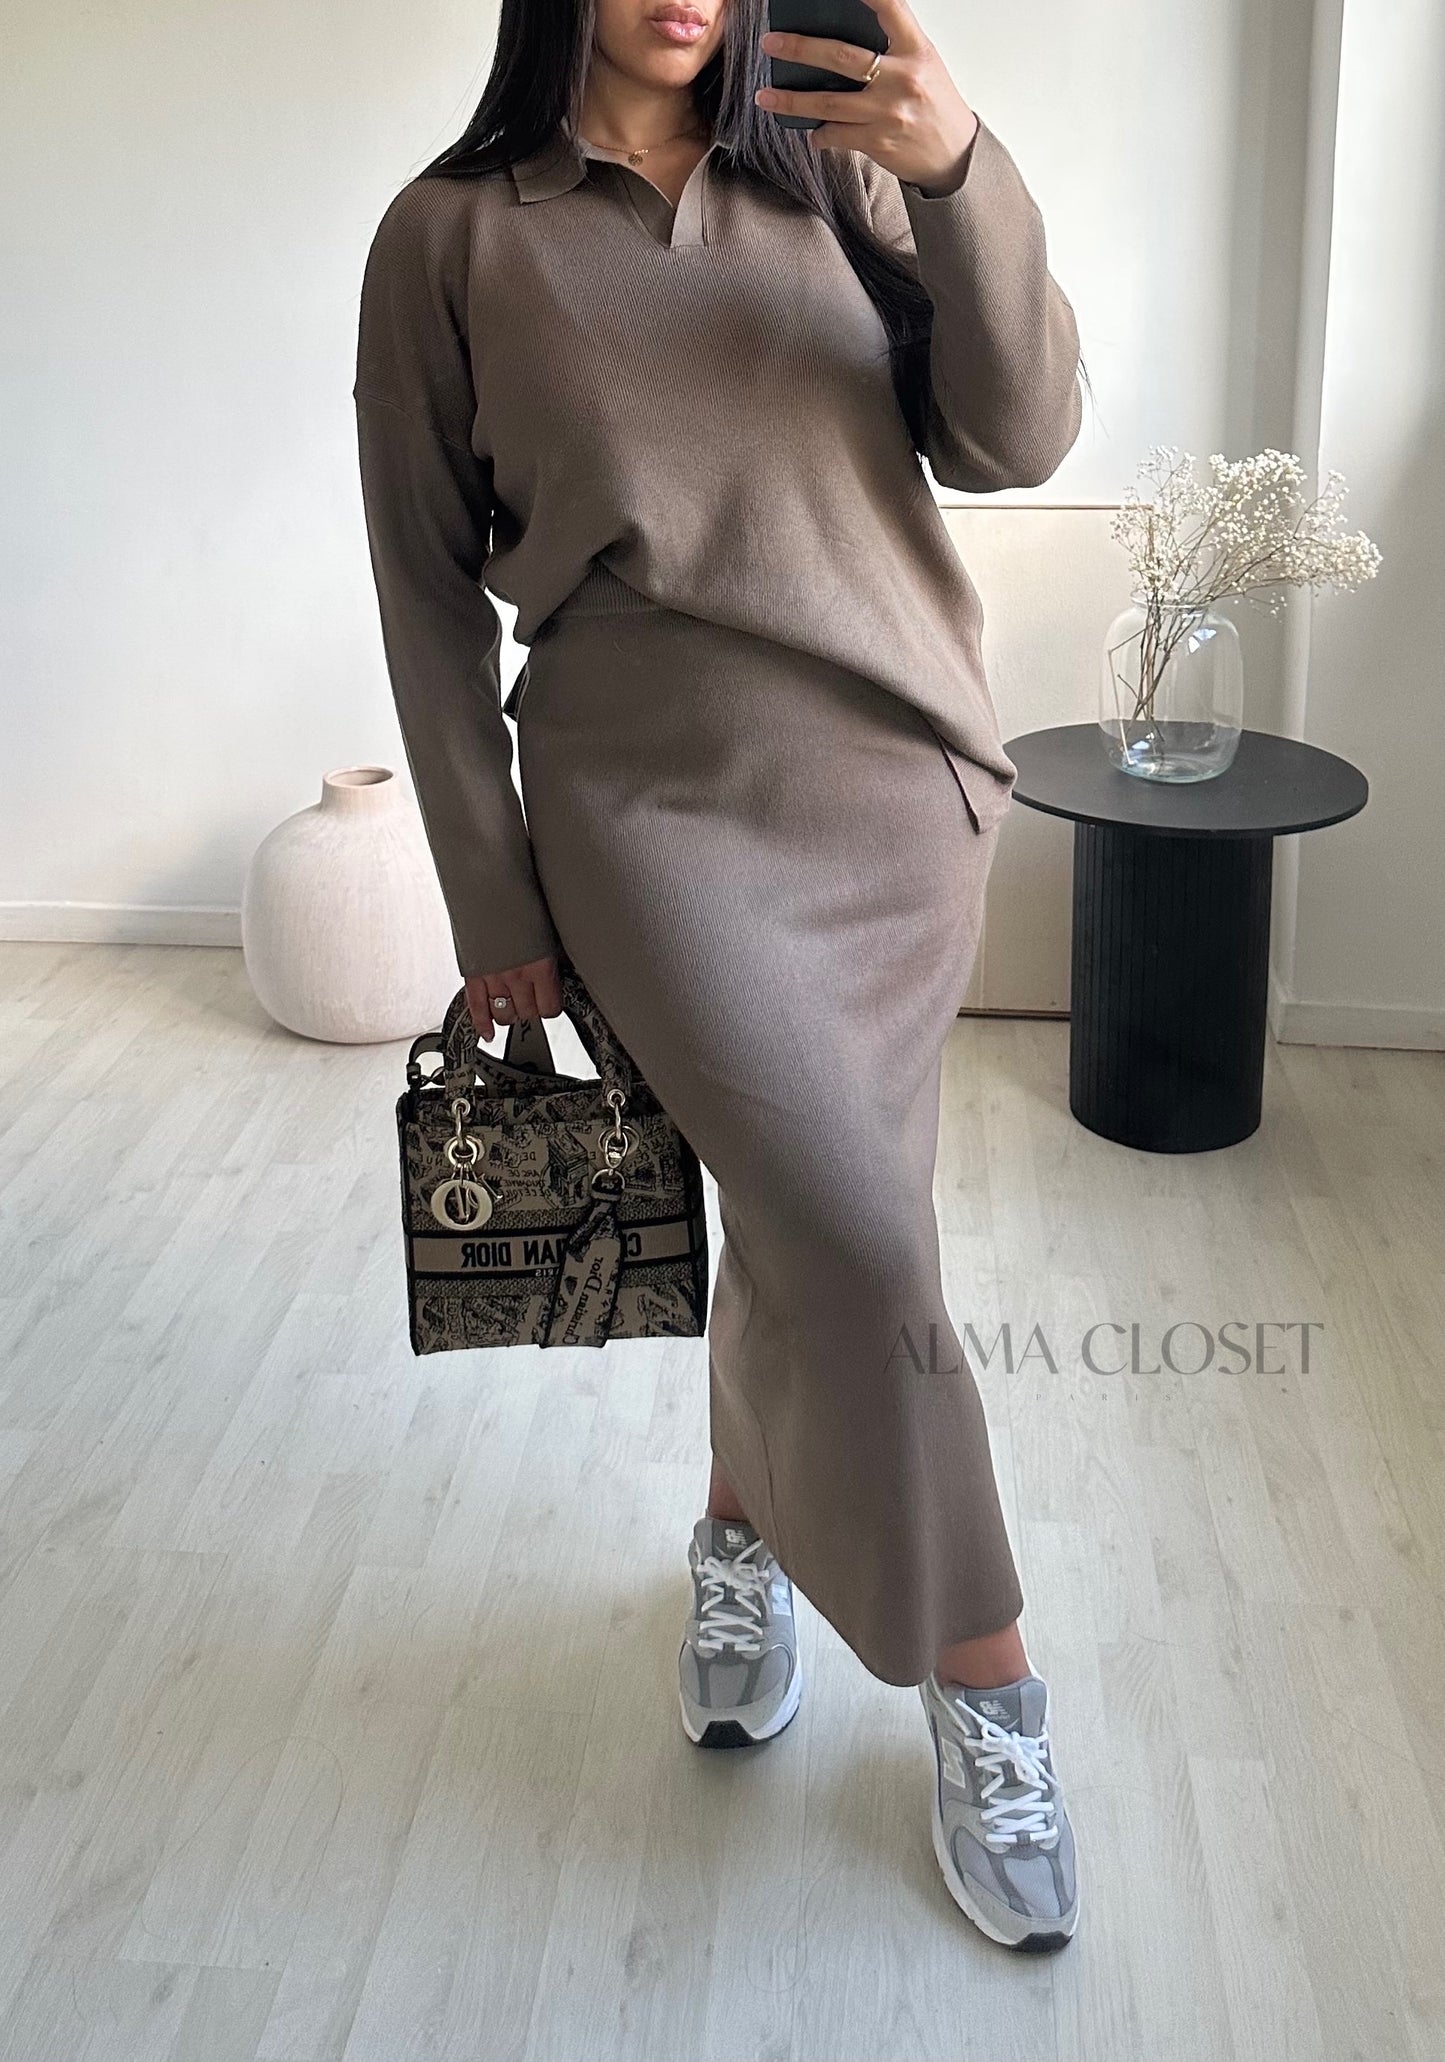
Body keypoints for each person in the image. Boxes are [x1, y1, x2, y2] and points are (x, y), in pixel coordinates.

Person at [354, 0, 1086, 1951]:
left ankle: (738, 1541)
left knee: (817, 1222)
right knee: (860, 1236)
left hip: (901, 792)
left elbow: (1018, 435)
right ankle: (990, 1679)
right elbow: (423, 590)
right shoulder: (451, 233)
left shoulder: (837, 174)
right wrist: (488, 897)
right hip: (649, 812)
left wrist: (958, 169)